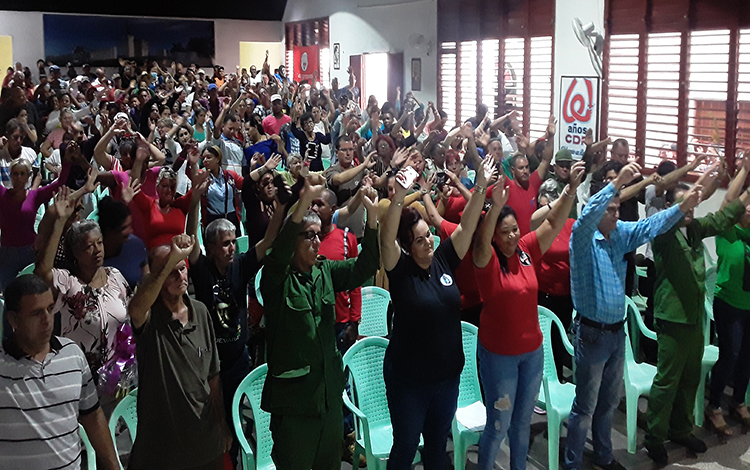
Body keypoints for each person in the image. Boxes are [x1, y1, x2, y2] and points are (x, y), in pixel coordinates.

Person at [564, 162, 702, 470]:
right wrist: (615, 186)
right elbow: (585, 219)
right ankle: (572, 463)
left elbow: (650, 226)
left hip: (616, 334)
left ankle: (603, 456)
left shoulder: (620, 234)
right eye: (610, 209)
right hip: (592, 334)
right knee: (585, 406)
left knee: (608, 405)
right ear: (597, 209)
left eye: (617, 208)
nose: (616, 213)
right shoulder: (582, 239)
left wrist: (682, 206)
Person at [380, 157, 493, 470]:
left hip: (446, 379)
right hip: (410, 382)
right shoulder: (400, 271)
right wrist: (399, 196)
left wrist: (481, 184)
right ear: (406, 246)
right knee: (405, 446)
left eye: (428, 234)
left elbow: (469, 225)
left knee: (437, 447)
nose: (428, 241)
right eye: (419, 240)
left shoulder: (443, 258)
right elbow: (384, 238)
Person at [260, 177, 380, 470]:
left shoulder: (324, 270)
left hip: (328, 402)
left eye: (317, 236)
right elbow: (277, 253)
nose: (316, 242)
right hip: (295, 408)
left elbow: (366, 266)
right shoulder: (277, 279)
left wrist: (373, 219)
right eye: (308, 236)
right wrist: (302, 204)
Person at [473, 161, 585, 470]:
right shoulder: (486, 260)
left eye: (514, 230)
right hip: (500, 357)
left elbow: (552, 223)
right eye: (504, 232)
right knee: (498, 426)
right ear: (494, 235)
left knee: (521, 424)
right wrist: (495, 206)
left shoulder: (525, 250)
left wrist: (570, 191)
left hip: (532, 355)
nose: (511, 236)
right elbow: (481, 240)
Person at [645, 168, 750, 463]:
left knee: (690, 380)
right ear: (674, 208)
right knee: (667, 382)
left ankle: (681, 429)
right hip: (672, 321)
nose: (691, 209)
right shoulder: (663, 233)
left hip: (692, 320)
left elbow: (724, 217)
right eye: (685, 204)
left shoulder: (695, 229)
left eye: (693, 204)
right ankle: (655, 436)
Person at [187, 199, 285, 467]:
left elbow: (267, 241)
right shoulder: (203, 270)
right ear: (211, 248)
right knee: (218, 427)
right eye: (226, 243)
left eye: (233, 241)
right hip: (211, 365)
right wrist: (195, 198)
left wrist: (279, 212)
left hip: (239, 359)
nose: (232, 247)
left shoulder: (240, 265)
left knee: (243, 420)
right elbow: (191, 243)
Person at [127, 234, 232, 470]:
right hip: (162, 451)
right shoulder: (150, 317)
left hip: (204, 442)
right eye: (169, 271)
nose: (179, 276)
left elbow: (212, 376)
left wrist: (222, 423)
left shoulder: (201, 312)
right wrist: (172, 257)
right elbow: (135, 309)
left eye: (182, 268)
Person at [0, 274, 120, 470]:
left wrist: (113, 466)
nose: (47, 320)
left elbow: (93, 416)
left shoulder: (72, 354)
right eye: (36, 313)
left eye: (49, 309)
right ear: (14, 319)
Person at [35, 186, 133, 406]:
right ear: (76, 253)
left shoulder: (115, 276)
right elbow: (41, 273)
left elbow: (128, 321)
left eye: (99, 243)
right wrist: (59, 222)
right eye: (89, 246)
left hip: (116, 380)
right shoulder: (68, 283)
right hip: (78, 381)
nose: (97, 250)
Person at [707, 153, 750, 433]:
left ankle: (737, 401)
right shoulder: (728, 231)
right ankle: (714, 406)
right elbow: (726, 202)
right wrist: (745, 169)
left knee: (746, 356)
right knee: (730, 354)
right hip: (728, 304)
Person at [0, 147, 72, 291]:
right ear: (11, 175)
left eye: (22, 174)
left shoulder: (34, 196)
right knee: (8, 294)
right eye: (15, 174)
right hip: (7, 253)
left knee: (31, 292)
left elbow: (59, 184)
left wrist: (67, 162)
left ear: (28, 176)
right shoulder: (2, 195)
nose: (18, 178)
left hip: (29, 252)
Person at [129, 167, 207, 249]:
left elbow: (196, 187)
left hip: (179, 258)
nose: (169, 190)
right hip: (156, 258)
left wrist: (194, 164)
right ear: (157, 187)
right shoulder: (149, 205)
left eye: (172, 187)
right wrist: (139, 159)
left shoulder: (180, 206)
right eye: (165, 186)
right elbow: (134, 185)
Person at [98, 196, 149, 289]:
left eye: (130, 225)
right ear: (109, 231)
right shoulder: (93, 255)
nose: (131, 231)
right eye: (124, 228)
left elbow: (147, 281)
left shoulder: (137, 246)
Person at [200, 145, 244, 234]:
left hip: (231, 219)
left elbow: (246, 184)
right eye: (203, 158)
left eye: (208, 157)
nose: (205, 160)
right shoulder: (201, 176)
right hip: (212, 220)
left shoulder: (230, 175)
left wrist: (253, 167)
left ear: (217, 159)